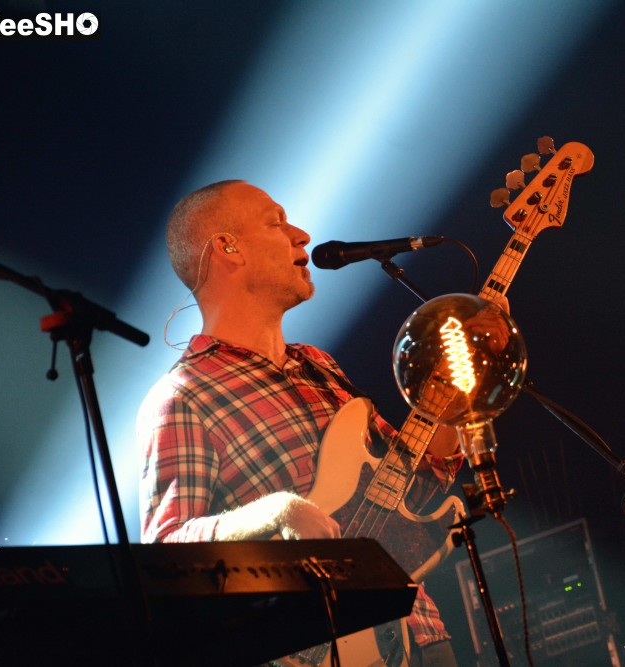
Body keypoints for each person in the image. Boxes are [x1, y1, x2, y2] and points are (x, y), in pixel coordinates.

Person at [137, 180, 467, 666]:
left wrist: (453, 402)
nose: (302, 235)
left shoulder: (320, 365)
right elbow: (167, 554)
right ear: (227, 247)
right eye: (277, 222)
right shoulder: (183, 396)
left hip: (419, 631)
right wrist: (274, 513)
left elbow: (419, 486)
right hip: (310, 649)